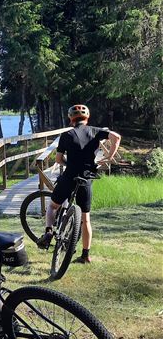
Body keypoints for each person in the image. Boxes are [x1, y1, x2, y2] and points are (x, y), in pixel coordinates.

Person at [36, 104, 121, 263]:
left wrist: (69, 163)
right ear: (87, 118)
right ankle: (85, 255)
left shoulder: (67, 135)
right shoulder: (95, 131)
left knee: (53, 206)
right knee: (85, 218)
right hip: (86, 178)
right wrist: (109, 157)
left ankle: (48, 232)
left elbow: (59, 160)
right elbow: (116, 137)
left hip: (69, 176)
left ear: (71, 119)